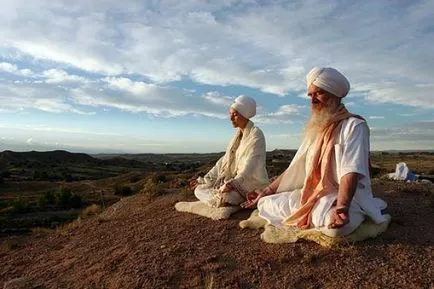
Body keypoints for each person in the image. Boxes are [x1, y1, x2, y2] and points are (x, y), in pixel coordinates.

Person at [242, 67, 387, 237]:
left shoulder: (354, 126)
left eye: (318, 94)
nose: (313, 101)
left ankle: (339, 214)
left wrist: (341, 207)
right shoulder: (317, 128)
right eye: (310, 95)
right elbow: (297, 167)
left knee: (336, 229)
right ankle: (314, 213)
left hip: (346, 198)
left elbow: (351, 171)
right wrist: (266, 191)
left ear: (334, 95)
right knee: (265, 203)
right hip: (313, 194)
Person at [190, 95, 269, 207]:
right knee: (199, 189)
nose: (231, 118)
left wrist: (233, 183)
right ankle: (220, 198)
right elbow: (223, 161)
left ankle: (223, 199)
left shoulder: (256, 135)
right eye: (230, 114)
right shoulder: (235, 139)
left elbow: (251, 164)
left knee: (228, 196)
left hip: (250, 183)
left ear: (245, 115)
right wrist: (204, 180)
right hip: (232, 181)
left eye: (235, 115)